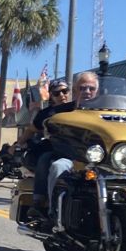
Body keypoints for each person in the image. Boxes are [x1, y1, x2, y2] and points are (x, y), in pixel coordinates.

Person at [29, 72, 100, 222]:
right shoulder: (62, 111)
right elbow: (40, 123)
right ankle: (54, 213)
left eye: (91, 88)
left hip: (103, 162)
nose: (87, 92)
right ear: (75, 91)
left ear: (97, 91)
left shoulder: (108, 110)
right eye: (82, 88)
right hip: (73, 159)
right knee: (57, 166)